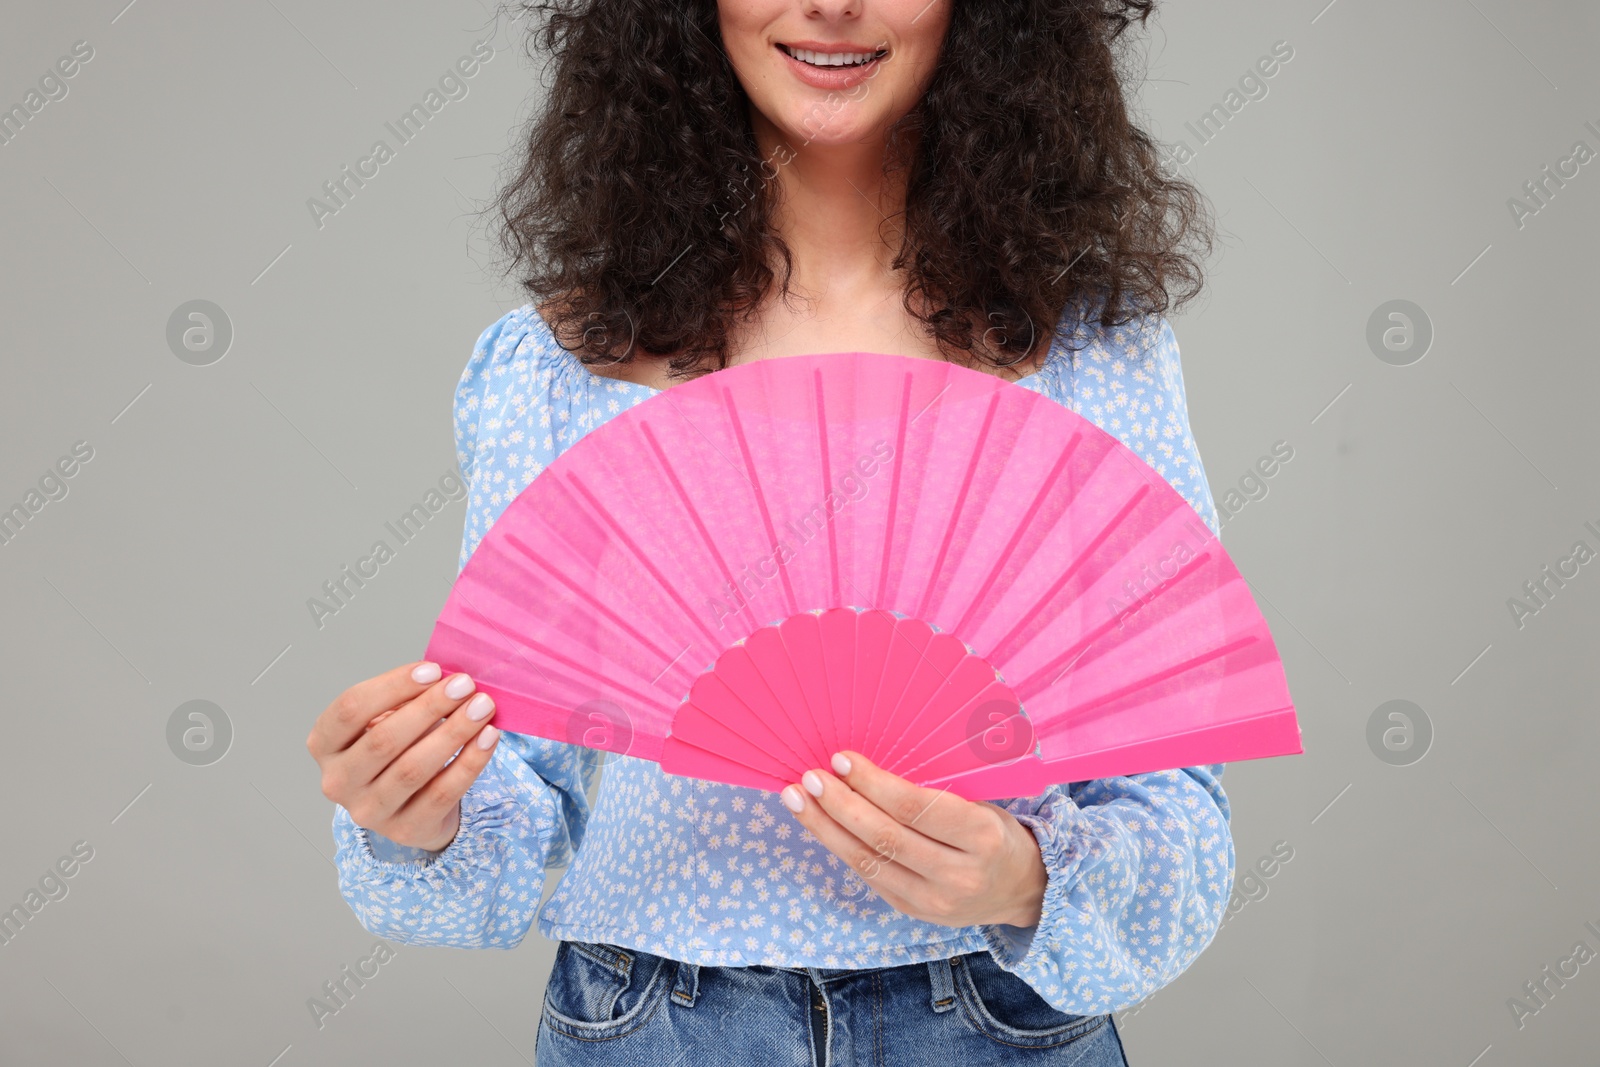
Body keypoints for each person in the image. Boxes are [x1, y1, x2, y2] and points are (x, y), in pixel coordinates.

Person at [305, 2, 1229, 1063]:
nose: (830, 3)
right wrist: (413, 809)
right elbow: (506, 815)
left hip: (995, 1024)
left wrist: (1026, 877)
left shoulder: (1089, 357)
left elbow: (1176, 811)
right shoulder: (565, 366)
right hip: (651, 1024)